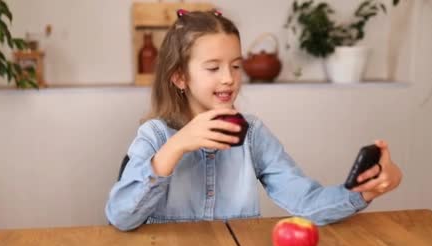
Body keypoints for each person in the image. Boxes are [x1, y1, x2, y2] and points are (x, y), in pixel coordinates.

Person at [105, 9, 402, 231]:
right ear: (180, 77)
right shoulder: (154, 136)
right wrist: (177, 146)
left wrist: (362, 193)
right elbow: (120, 217)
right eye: (213, 67)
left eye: (235, 66)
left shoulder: (254, 134)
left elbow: (305, 202)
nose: (229, 78)